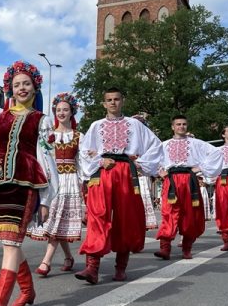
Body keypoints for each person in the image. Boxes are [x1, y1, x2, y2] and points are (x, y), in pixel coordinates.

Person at [0, 60, 57, 306]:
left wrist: (48, 198)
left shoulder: (42, 120)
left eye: (26, 84)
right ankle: (28, 292)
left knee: (11, 244)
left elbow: (47, 158)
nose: (21, 88)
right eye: (17, 84)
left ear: (34, 87)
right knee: (8, 243)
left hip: (24, 185)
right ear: (10, 88)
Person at [76, 87, 163, 284]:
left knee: (126, 218)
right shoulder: (96, 126)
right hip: (102, 172)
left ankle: (121, 268)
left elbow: (156, 145)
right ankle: (92, 267)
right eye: (109, 100)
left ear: (122, 101)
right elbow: (84, 151)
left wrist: (140, 164)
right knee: (97, 215)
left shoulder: (134, 125)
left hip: (125, 173)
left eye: (116, 99)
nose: (113, 103)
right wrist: (99, 161)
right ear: (104, 103)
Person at [29, 93, 84, 277]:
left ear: (72, 112)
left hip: (69, 181)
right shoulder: (48, 135)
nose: (61, 113)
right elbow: (42, 158)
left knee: (57, 220)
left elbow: (81, 162)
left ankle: (46, 261)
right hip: (52, 180)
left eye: (65, 110)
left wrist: (84, 184)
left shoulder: (78, 136)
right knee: (55, 220)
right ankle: (68, 257)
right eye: (58, 110)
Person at [154, 116, 222, 261]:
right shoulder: (164, 145)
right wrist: (159, 170)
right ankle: (165, 248)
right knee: (168, 212)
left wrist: (200, 168)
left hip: (189, 180)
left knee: (189, 214)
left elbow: (216, 153)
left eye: (184, 124)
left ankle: (187, 248)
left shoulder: (196, 143)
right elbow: (153, 158)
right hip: (171, 180)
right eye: (178, 124)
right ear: (172, 127)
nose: (181, 126)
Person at [132, 113, 158, 230]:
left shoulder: (147, 142)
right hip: (129, 173)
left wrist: (141, 162)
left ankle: (144, 221)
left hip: (142, 174)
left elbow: (153, 155)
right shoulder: (128, 140)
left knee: (143, 196)